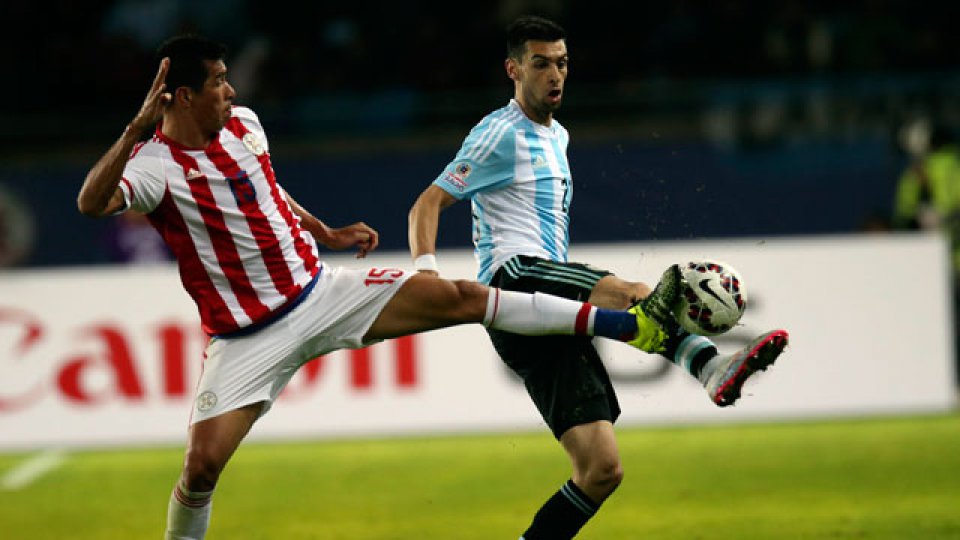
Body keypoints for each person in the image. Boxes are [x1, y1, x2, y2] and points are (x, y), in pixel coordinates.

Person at [76, 35, 679, 540]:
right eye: (218, 82)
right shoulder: (153, 165)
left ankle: (628, 325)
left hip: (319, 293)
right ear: (182, 95)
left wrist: (325, 232)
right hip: (245, 338)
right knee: (201, 466)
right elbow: (91, 202)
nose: (231, 91)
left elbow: (267, 192)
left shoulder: (246, 126)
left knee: (460, 297)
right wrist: (134, 127)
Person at [408, 16, 790, 539]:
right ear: (512, 69)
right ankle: (709, 368)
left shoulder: (557, 136)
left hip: (538, 315)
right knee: (638, 292)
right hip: (515, 278)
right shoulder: (499, 134)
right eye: (540, 63)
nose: (554, 75)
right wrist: (427, 274)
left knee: (600, 472)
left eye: (562, 63)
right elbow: (427, 203)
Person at [891, 120, 960, 385]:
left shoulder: (918, 173)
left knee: (943, 329)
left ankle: (948, 383)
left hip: (932, 265)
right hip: (945, 259)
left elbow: (903, 219)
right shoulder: (930, 171)